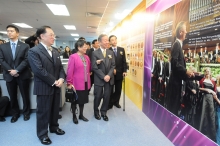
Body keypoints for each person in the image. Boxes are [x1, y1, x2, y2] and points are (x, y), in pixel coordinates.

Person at [28, 26, 66, 145]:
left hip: (56, 86)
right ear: (41, 36)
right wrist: (54, 81)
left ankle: (54, 127)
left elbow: (60, 67)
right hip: (44, 86)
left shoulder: (55, 50)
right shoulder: (34, 51)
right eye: (51, 34)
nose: (53, 37)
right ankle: (43, 134)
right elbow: (38, 70)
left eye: (53, 34)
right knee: (43, 112)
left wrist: (61, 78)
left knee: (55, 109)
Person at [0, 25, 32, 123]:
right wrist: (11, 70)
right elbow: (1, 60)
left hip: (22, 74)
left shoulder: (25, 46)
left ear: (17, 33)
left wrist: (17, 70)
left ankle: (26, 113)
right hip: (9, 75)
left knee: (25, 95)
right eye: (8, 31)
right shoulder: (2, 46)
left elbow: (27, 60)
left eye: (12, 31)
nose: (9, 33)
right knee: (12, 96)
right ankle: (15, 114)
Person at [166, 21, 194, 116]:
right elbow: (175, 63)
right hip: (174, 84)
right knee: (173, 107)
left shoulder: (178, 45)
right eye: (185, 30)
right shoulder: (177, 45)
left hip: (176, 83)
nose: (186, 32)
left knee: (174, 106)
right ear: (181, 32)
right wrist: (186, 71)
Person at [91, 34, 115, 121]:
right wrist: (103, 76)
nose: (107, 42)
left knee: (107, 96)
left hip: (109, 78)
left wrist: (108, 75)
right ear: (99, 42)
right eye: (105, 40)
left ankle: (104, 112)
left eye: (107, 40)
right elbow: (94, 67)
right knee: (98, 96)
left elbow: (113, 65)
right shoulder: (94, 53)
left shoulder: (110, 52)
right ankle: (96, 112)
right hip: (99, 79)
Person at [66, 40, 91, 124]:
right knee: (75, 101)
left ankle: (81, 115)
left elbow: (89, 69)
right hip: (76, 83)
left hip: (85, 83)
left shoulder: (87, 57)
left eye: (86, 46)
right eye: (84, 46)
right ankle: (74, 116)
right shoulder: (73, 57)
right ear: (78, 47)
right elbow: (70, 70)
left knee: (82, 100)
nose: (86, 47)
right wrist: (69, 83)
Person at [199, 67, 220, 142]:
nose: (207, 72)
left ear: (210, 72)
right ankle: (203, 133)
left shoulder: (213, 82)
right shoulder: (202, 80)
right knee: (204, 115)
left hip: (211, 99)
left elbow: (215, 92)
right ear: (205, 72)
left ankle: (211, 136)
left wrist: (213, 93)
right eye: (206, 71)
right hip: (204, 98)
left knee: (211, 116)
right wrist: (207, 90)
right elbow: (199, 88)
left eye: (209, 71)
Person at [108, 35, 127, 109]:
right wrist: (113, 69)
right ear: (110, 42)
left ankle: (116, 102)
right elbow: (107, 63)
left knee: (118, 89)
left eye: (115, 39)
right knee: (110, 89)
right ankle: (110, 103)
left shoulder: (121, 49)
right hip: (111, 74)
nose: (114, 41)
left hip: (120, 73)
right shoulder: (108, 50)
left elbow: (124, 61)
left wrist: (125, 71)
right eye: (112, 40)